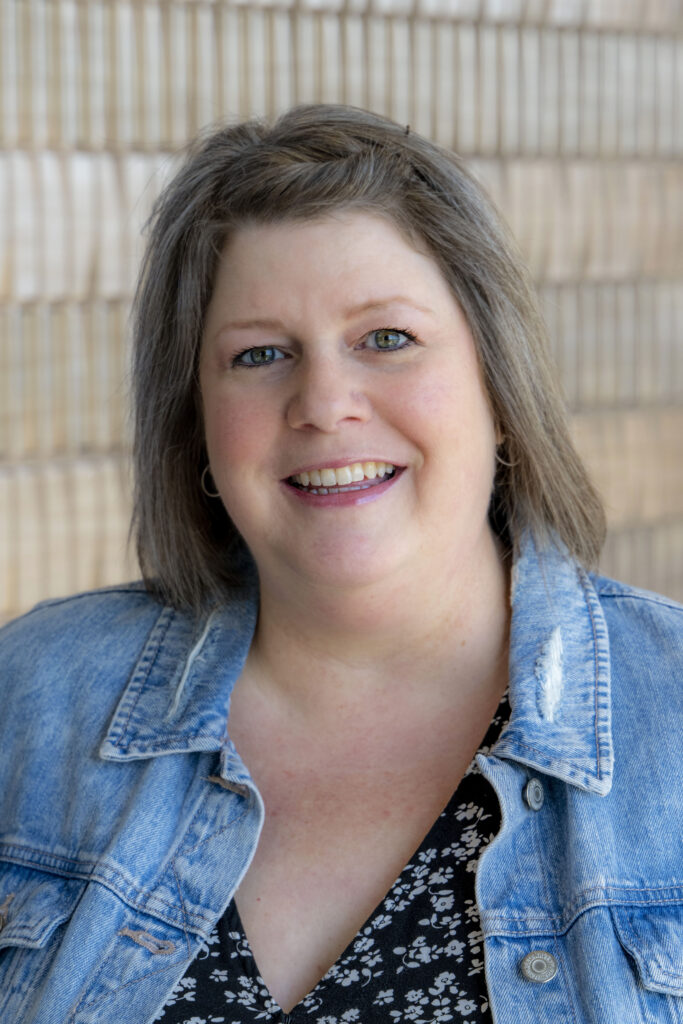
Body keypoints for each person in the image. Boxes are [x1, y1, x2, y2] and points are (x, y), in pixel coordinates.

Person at [0, 105, 681, 1024]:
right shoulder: (33, 699)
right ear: (198, 424)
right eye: (260, 354)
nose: (323, 402)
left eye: (385, 339)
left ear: (497, 385)